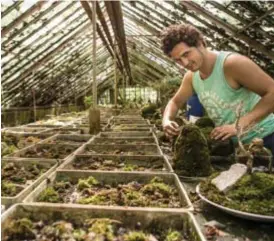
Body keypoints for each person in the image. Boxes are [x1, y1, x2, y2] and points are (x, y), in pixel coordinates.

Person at [161, 24, 274, 154]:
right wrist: (166, 120)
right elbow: (175, 102)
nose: (185, 63)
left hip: (267, 137)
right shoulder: (192, 77)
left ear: (201, 43)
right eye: (178, 60)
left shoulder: (232, 64)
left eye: (186, 54)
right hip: (238, 146)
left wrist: (240, 125)